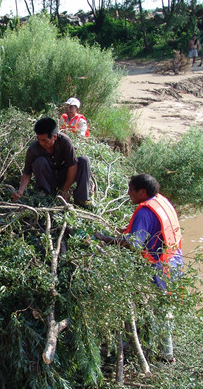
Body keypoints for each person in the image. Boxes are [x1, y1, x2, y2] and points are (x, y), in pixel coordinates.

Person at [94, 174, 183, 361]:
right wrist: (125, 230)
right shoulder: (160, 201)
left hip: (159, 267)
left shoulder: (144, 211)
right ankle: (146, 342)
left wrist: (106, 239)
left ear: (142, 192)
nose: (128, 193)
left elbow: (132, 244)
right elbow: (150, 229)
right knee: (160, 306)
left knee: (159, 309)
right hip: (174, 261)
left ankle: (165, 354)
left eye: (131, 190)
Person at [13, 117, 91, 206]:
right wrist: (20, 191)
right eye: (38, 139)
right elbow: (27, 172)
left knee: (84, 161)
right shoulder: (33, 149)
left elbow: (72, 166)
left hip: (64, 176)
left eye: (44, 140)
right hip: (49, 178)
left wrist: (65, 189)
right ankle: (45, 193)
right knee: (39, 161)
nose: (41, 143)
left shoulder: (65, 142)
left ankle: (81, 199)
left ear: (54, 137)